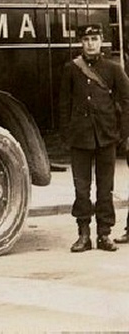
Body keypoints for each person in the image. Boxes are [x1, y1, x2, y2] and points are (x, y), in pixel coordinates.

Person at [59, 23, 129, 253]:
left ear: (101, 42)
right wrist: (66, 133)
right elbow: (64, 103)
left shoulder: (112, 69)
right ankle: (83, 235)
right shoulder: (71, 69)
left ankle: (104, 234)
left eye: (94, 39)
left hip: (106, 137)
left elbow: (126, 100)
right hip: (80, 138)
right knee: (81, 189)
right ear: (81, 43)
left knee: (105, 188)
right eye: (86, 40)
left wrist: (123, 133)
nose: (90, 44)